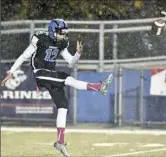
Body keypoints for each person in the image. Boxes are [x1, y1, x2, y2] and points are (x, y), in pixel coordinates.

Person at [1, 19, 113, 157]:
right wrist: (11, 71)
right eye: (61, 32)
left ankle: (60, 142)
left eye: (64, 33)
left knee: (63, 106)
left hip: (51, 74)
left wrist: (78, 54)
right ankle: (98, 87)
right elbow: (24, 57)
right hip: (40, 73)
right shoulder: (39, 39)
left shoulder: (62, 43)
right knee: (67, 79)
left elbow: (71, 62)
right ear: (52, 31)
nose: (63, 36)